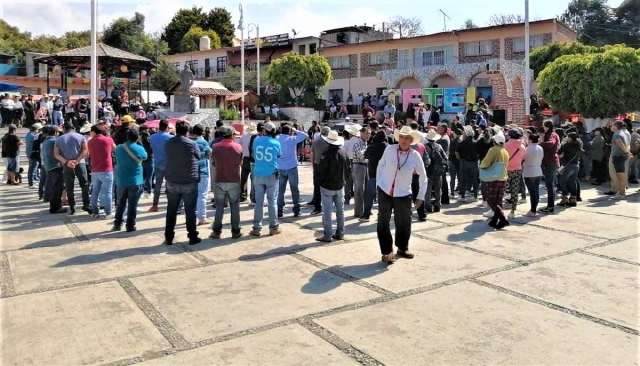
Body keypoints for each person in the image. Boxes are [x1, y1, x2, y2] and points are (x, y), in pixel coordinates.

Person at [376, 126, 427, 264]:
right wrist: (378, 184)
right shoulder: (389, 149)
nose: (403, 140)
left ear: (411, 140)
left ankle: (402, 248)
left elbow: (423, 176)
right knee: (383, 222)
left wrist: (421, 196)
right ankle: (387, 251)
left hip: (403, 193)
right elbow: (380, 165)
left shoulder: (415, 155)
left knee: (404, 222)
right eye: (401, 137)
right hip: (385, 191)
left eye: (407, 138)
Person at [163, 121, 202, 245]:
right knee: (190, 211)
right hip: (189, 181)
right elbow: (198, 156)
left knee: (171, 210)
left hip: (172, 180)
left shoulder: (168, 143)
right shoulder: (192, 144)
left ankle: (169, 237)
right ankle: (192, 236)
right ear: (187, 131)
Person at [210, 127, 244, 239]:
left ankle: (216, 231)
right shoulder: (238, 147)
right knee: (234, 206)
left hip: (219, 179)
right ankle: (235, 231)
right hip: (233, 179)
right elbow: (240, 163)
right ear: (232, 135)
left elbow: (214, 163)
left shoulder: (215, 147)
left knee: (219, 206)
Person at [250, 122, 282, 236]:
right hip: (271, 175)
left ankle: (256, 227)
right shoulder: (276, 143)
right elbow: (279, 155)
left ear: (264, 130)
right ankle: (273, 227)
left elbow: (253, 155)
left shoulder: (256, 140)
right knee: (272, 201)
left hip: (258, 174)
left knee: (258, 202)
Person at [316, 130, 348, 242]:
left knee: (327, 212)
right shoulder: (343, 153)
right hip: (340, 185)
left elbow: (321, 171)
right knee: (340, 211)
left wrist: (320, 183)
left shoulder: (326, 154)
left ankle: (327, 235)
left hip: (327, 186)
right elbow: (348, 170)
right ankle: (340, 233)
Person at [112, 129, 147, 232]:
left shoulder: (118, 148)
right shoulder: (139, 148)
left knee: (120, 203)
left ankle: (117, 224)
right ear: (137, 137)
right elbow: (145, 156)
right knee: (132, 204)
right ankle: (130, 225)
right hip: (135, 180)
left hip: (121, 180)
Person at [54, 123, 90, 215]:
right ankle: (86, 204)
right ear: (73, 128)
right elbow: (85, 150)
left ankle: (72, 206)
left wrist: (66, 162)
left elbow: (56, 154)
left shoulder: (59, 139)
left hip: (67, 164)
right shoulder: (80, 137)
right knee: (84, 184)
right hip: (80, 163)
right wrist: (77, 160)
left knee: (69, 186)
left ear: (64, 129)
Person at [275, 124, 308, 218]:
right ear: (290, 131)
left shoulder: (277, 138)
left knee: (280, 190)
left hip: (280, 166)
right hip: (292, 167)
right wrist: (295, 130)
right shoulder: (292, 139)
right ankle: (296, 210)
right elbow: (305, 135)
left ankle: (279, 210)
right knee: (294, 190)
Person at [479, 132, 510, 229]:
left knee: (491, 200)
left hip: (494, 178)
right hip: (503, 177)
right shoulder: (505, 151)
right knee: (498, 200)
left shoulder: (493, 150)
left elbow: (486, 162)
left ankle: (503, 219)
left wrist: (481, 166)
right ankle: (495, 220)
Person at [87, 124, 115, 219]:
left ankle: (95, 212)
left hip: (95, 169)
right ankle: (108, 212)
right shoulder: (108, 139)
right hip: (107, 169)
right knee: (107, 192)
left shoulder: (90, 142)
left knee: (95, 191)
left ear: (94, 132)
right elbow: (113, 148)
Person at [361, 130, 388, 221]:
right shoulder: (388, 147)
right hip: (385, 175)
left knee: (369, 195)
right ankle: (382, 214)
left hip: (373, 174)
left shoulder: (372, 147)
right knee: (383, 196)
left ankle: (366, 214)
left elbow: (365, 156)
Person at [40, 127, 67, 214]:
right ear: (55, 132)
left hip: (49, 166)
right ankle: (55, 208)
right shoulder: (54, 141)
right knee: (57, 188)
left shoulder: (45, 141)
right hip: (56, 166)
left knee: (54, 187)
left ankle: (55, 205)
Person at [190, 124, 213, 226]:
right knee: (202, 195)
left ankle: (191, 217)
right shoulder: (203, 142)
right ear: (202, 132)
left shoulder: (188, 141)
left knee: (191, 196)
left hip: (190, 172)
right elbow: (210, 153)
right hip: (202, 171)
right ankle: (202, 217)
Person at [149, 119, 173, 212]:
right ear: (167, 127)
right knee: (170, 185)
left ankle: (155, 205)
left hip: (158, 163)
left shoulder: (152, 137)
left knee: (158, 185)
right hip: (169, 164)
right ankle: (171, 204)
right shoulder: (170, 137)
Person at [606, 121, 632, 199]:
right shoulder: (623, 133)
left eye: (612, 125)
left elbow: (620, 144)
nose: (611, 127)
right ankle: (621, 192)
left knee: (620, 176)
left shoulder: (616, 134)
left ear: (615, 126)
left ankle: (621, 193)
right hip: (621, 156)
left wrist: (627, 152)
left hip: (618, 157)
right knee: (621, 175)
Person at [309, 126, 331, 216]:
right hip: (329, 166)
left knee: (317, 187)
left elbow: (312, 155)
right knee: (328, 186)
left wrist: (313, 165)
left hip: (318, 165)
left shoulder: (315, 142)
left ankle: (317, 207)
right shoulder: (331, 142)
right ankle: (328, 206)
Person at [522, 133, 544, 216]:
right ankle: (534, 208)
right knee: (536, 191)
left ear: (530, 140)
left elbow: (523, 158)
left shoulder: (528, 149)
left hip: (529, 171)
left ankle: (533, 210)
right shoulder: (540, 148)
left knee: (532, 192)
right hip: (538, 170)